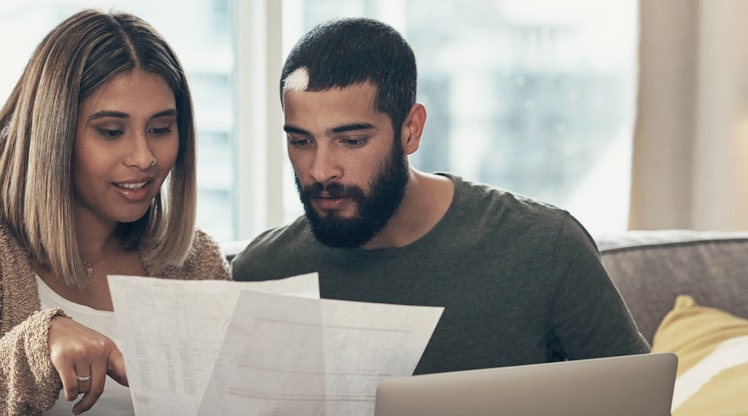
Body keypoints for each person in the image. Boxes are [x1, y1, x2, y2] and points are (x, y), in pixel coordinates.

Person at [231, 17, 649, 375]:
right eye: (301, 141)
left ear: (410, 129)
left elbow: (637, 405)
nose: (321, 170)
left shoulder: (546, 247)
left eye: (352, 140)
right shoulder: (262, 272)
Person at [0, 9, 231, 416]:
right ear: (53, 134)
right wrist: (36, 350)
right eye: (111, 131)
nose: (144, 157)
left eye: (160, 129)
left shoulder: (196, 262)